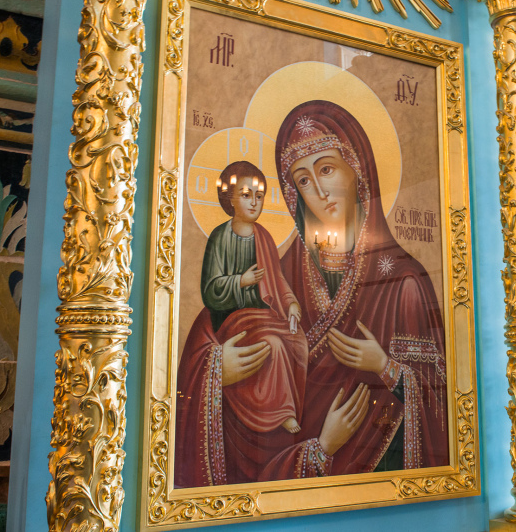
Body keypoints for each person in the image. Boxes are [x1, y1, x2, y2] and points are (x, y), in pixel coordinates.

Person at [175, 100, 446, 487]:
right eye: (303, 179)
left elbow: (441, 411)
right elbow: (210, 326)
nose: (318, 190)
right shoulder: (278, 268)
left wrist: (385, 367)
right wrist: (216, 369)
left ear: (358, 172)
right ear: (293, 193)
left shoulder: (403, 282)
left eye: (327, 169)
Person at [201, 161, 305, 436]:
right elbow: (210, 290)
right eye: (246, 195)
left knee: (297, 341)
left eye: (259, 196)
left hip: (262, 315)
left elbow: (276, 278)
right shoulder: (219, 238)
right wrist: (240, 282)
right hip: (232, 319)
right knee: (274, 344)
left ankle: (278, 406)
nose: (254, 202)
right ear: (230, 198)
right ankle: (282, 411)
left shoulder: (265, 237)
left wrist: (291, 303)